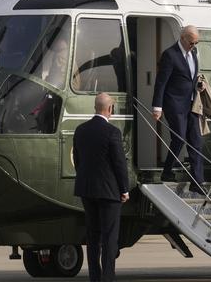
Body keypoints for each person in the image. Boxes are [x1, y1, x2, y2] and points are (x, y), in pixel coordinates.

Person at [73, 93, 130, 282]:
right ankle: (107, 278)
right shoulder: (113, 132)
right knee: (109, 237)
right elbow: (119, 164)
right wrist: (124, 189)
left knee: (93, 236)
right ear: (110, 109)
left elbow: (79, 161)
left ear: (95, 108)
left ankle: (95, 277)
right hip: (109, 192)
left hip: (87, 190)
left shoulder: (80, 130)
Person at [152, 25, 205, 189]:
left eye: (196, 43)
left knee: (196, 141)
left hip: (191, 104)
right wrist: (157, 106)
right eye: (191, 43)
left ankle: (198, 182)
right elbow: (161, 82)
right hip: (174, 104)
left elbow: (190, 77)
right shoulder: (170, 55)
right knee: (179, 138)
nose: (194, 46)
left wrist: (198, 85)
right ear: (183, 38)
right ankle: (167, 171)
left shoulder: (193, 53)